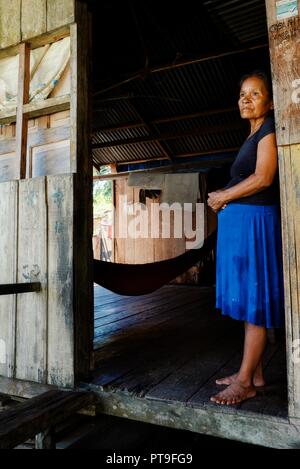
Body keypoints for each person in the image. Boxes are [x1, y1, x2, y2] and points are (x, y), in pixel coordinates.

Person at [207, 70, 285, 406]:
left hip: (256, 225)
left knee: (255, 305)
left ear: (269, 101)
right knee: (248, 302)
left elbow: (264, 177)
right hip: (244, 226)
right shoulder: (253, 134)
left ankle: (245, 383)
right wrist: (225, 193)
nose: (246, 99)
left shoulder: (268, 130)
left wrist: (224, 197)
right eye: (242, 94)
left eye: (255, 94)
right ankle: (253, 373)